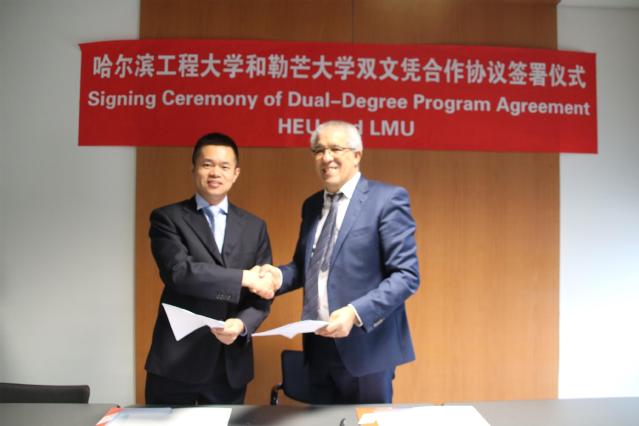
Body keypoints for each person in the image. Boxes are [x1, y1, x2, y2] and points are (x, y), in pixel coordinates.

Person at [262, 120, 420, 404]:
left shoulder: (387, 199)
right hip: (318, 345)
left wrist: (354, 313)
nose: (326, 157)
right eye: (319, 150)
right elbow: (304, 267)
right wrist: (278, 277)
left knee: (366, 422)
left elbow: (406, 276)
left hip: (367, 348)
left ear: (357, 155)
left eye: (336, 149)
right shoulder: (311, 205)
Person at [144, 132, 278, 405]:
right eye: (207, 164)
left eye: (224, 166)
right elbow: (179, 273)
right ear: (193, 168)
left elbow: (263, 293)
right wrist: (244, 277)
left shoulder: (255, 227)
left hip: (229, 364)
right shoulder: (167, 218)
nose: (215, 172)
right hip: (176, 362)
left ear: (236, 173)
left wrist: (242, 324)